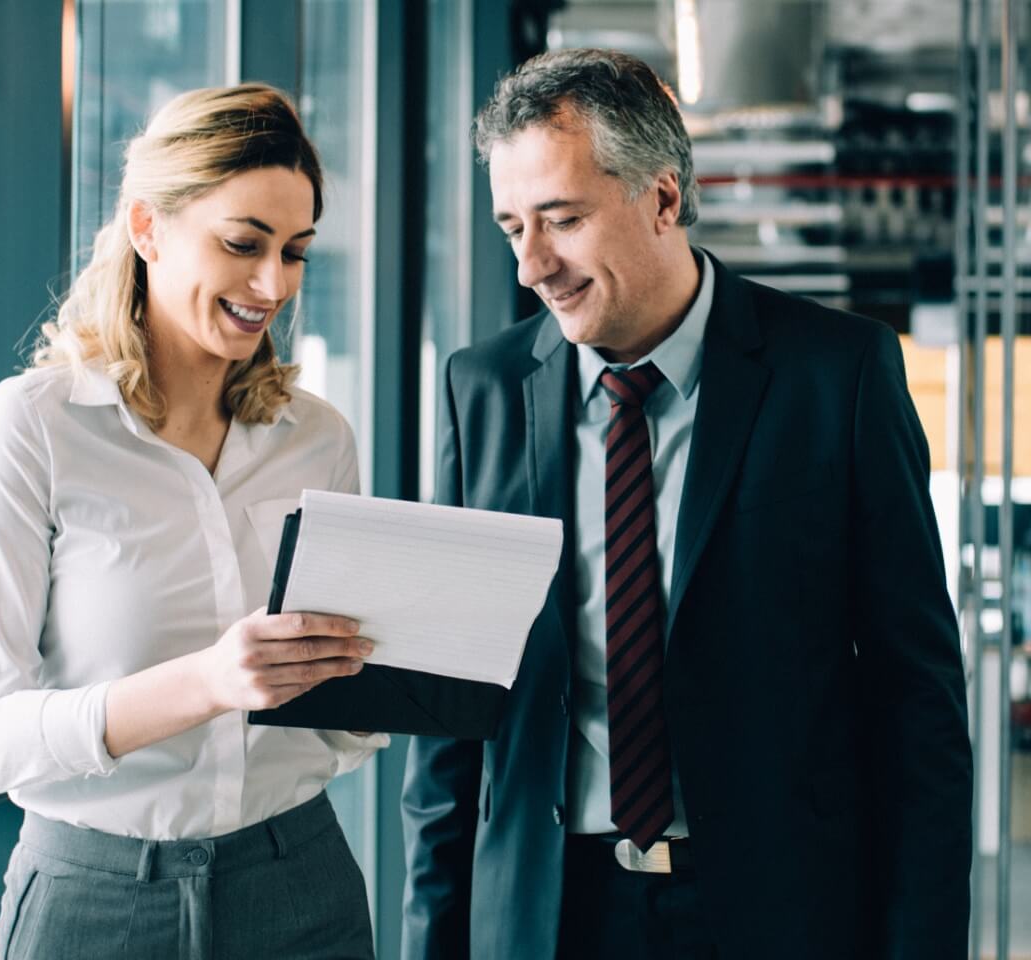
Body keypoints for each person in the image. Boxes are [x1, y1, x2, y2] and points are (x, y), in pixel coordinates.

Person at [401, 48, 972, 960]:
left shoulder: (838, 376)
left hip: (779, 910)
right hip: (546, 915)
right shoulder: (484, 389)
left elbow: (920, 703)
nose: (532, 266)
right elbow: (453, 728)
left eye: (563, 219)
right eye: (513, 227)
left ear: (662, 198)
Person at [0, 84, 385, 960]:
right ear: (147, 229)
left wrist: (390, 673)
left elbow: (342, 722)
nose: (273, 285)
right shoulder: (34, 426)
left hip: (301, 879)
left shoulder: (317, 438)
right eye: (242, 245)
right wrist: (211, 681)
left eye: (295, 253)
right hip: (94, 900)